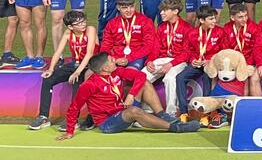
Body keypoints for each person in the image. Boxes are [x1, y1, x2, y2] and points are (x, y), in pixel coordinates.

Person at [56, 53, 200, 139]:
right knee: (134, 111)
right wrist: (69, 131)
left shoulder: (116, 72)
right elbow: (74, 108)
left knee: (145, 83)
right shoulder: (89, 85)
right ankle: (177, 128)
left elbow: (141, 75)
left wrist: (131, 95)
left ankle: (162, 115)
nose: (115, 61)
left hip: (122, 109)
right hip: (108, 123)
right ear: (105, 68)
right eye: (112, 60)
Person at [29, 10, 96, 130]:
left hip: (90, 65)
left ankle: (72, 119)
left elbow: (89, 53)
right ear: (70, 26)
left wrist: (77, 72)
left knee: (77, 82)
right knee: (48, 79)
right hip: (74, 64)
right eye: (79, 23)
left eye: (83, 21)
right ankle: (43, 116)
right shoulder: (67, 33)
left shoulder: (90, 30)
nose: (83, 25)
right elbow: (58, 52)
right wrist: (50, 69)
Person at [169, 5, 224, 114]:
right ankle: (184, 112)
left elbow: (223, 51)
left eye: (214, 18)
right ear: (202, 20)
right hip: (197, 64)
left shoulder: (220, 32)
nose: (214, 21)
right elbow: (188, 51)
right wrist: (193, 59)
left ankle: (207, 113)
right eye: (211, 19)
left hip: (211, 64)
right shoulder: (192, 33)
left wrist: (210, 60)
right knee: (180, 77)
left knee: (207, 75)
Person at [146, 0, 194, 109]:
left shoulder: (186, 28)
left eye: (165, 10)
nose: (161, 13)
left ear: (175, 11)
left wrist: (170, 64)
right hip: (162, 59)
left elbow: (186, 53)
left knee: (170, 78)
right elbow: (155, 48)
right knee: (143, 77)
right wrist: (149, 61)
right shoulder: (162, 27)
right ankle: (146, 110)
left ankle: (171, 112)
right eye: (161, 10)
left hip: (178, 61)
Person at [99, 0, 159, 72]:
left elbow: (148, 45)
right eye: (124, 8)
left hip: (136, 57)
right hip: (116, 58)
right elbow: (106, 45)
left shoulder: (145, 21)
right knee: (93, 74)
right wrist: (114, 59)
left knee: (129, 74)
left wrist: (129, 58)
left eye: (131, 7)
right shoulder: (112, 24)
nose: (129, 10)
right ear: (118, 7)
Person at [224, 2, 260, 75]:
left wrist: (247, 63)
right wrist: (233, 62)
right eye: (240, 17)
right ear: (232, 18)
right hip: (233, 60)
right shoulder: (227, 27)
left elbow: (257, 49)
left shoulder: (254, 27)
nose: (244, 19)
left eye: (246, 16)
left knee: (244, 75)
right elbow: (226, 48)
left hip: (249, 61)